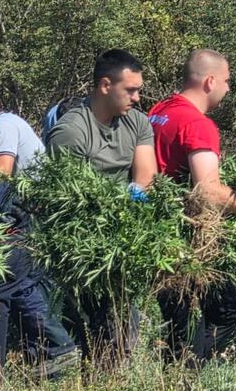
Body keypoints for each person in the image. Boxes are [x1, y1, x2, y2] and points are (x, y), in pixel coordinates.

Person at [148, 49, 236, 363]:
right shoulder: (197, 124)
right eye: (227, 81)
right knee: (226, 309)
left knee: (177, 319)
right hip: (187, 238)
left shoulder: (159, 111)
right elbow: (208, 191)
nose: (228, 88)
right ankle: (185, 378)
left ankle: (174, 383)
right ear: (210, 81)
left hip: (156, 231)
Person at [0, 86, 77, 382]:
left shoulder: (3, 126)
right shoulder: (9, 123)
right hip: (28, 216)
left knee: (4, 285)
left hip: (30, 218)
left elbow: (1, 176)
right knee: (22, 286)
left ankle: (53, 350)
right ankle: (52, 354)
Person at [46, 49, 157, 358]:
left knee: (125, 330)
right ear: (105, 85)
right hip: (82, 246)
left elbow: (147, 173)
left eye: (138, 90)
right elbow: (73, 197)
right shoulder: (71, 131)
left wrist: (133, 193)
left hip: (122, 238)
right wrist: (119, 201)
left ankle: (114, 384)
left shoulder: (136, 122)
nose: (137, 98)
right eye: (130, 90)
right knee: (94, 331)